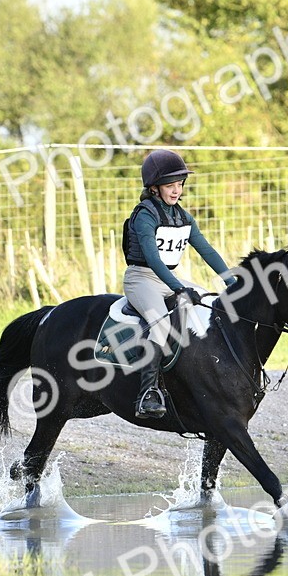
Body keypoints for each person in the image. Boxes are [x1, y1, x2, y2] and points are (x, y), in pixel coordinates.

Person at [122, 149, 234, 419]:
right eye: (170, 186)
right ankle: (147, 395)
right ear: (154, 188)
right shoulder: (145, 215)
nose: (176, 191)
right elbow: (152, 258)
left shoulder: (183, 216)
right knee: (160, 326)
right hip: (142, 279)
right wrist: (177, 288)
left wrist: (231, 281)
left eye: (179, 185)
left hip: (168, 277)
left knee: (206, 305)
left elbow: (205, 250)